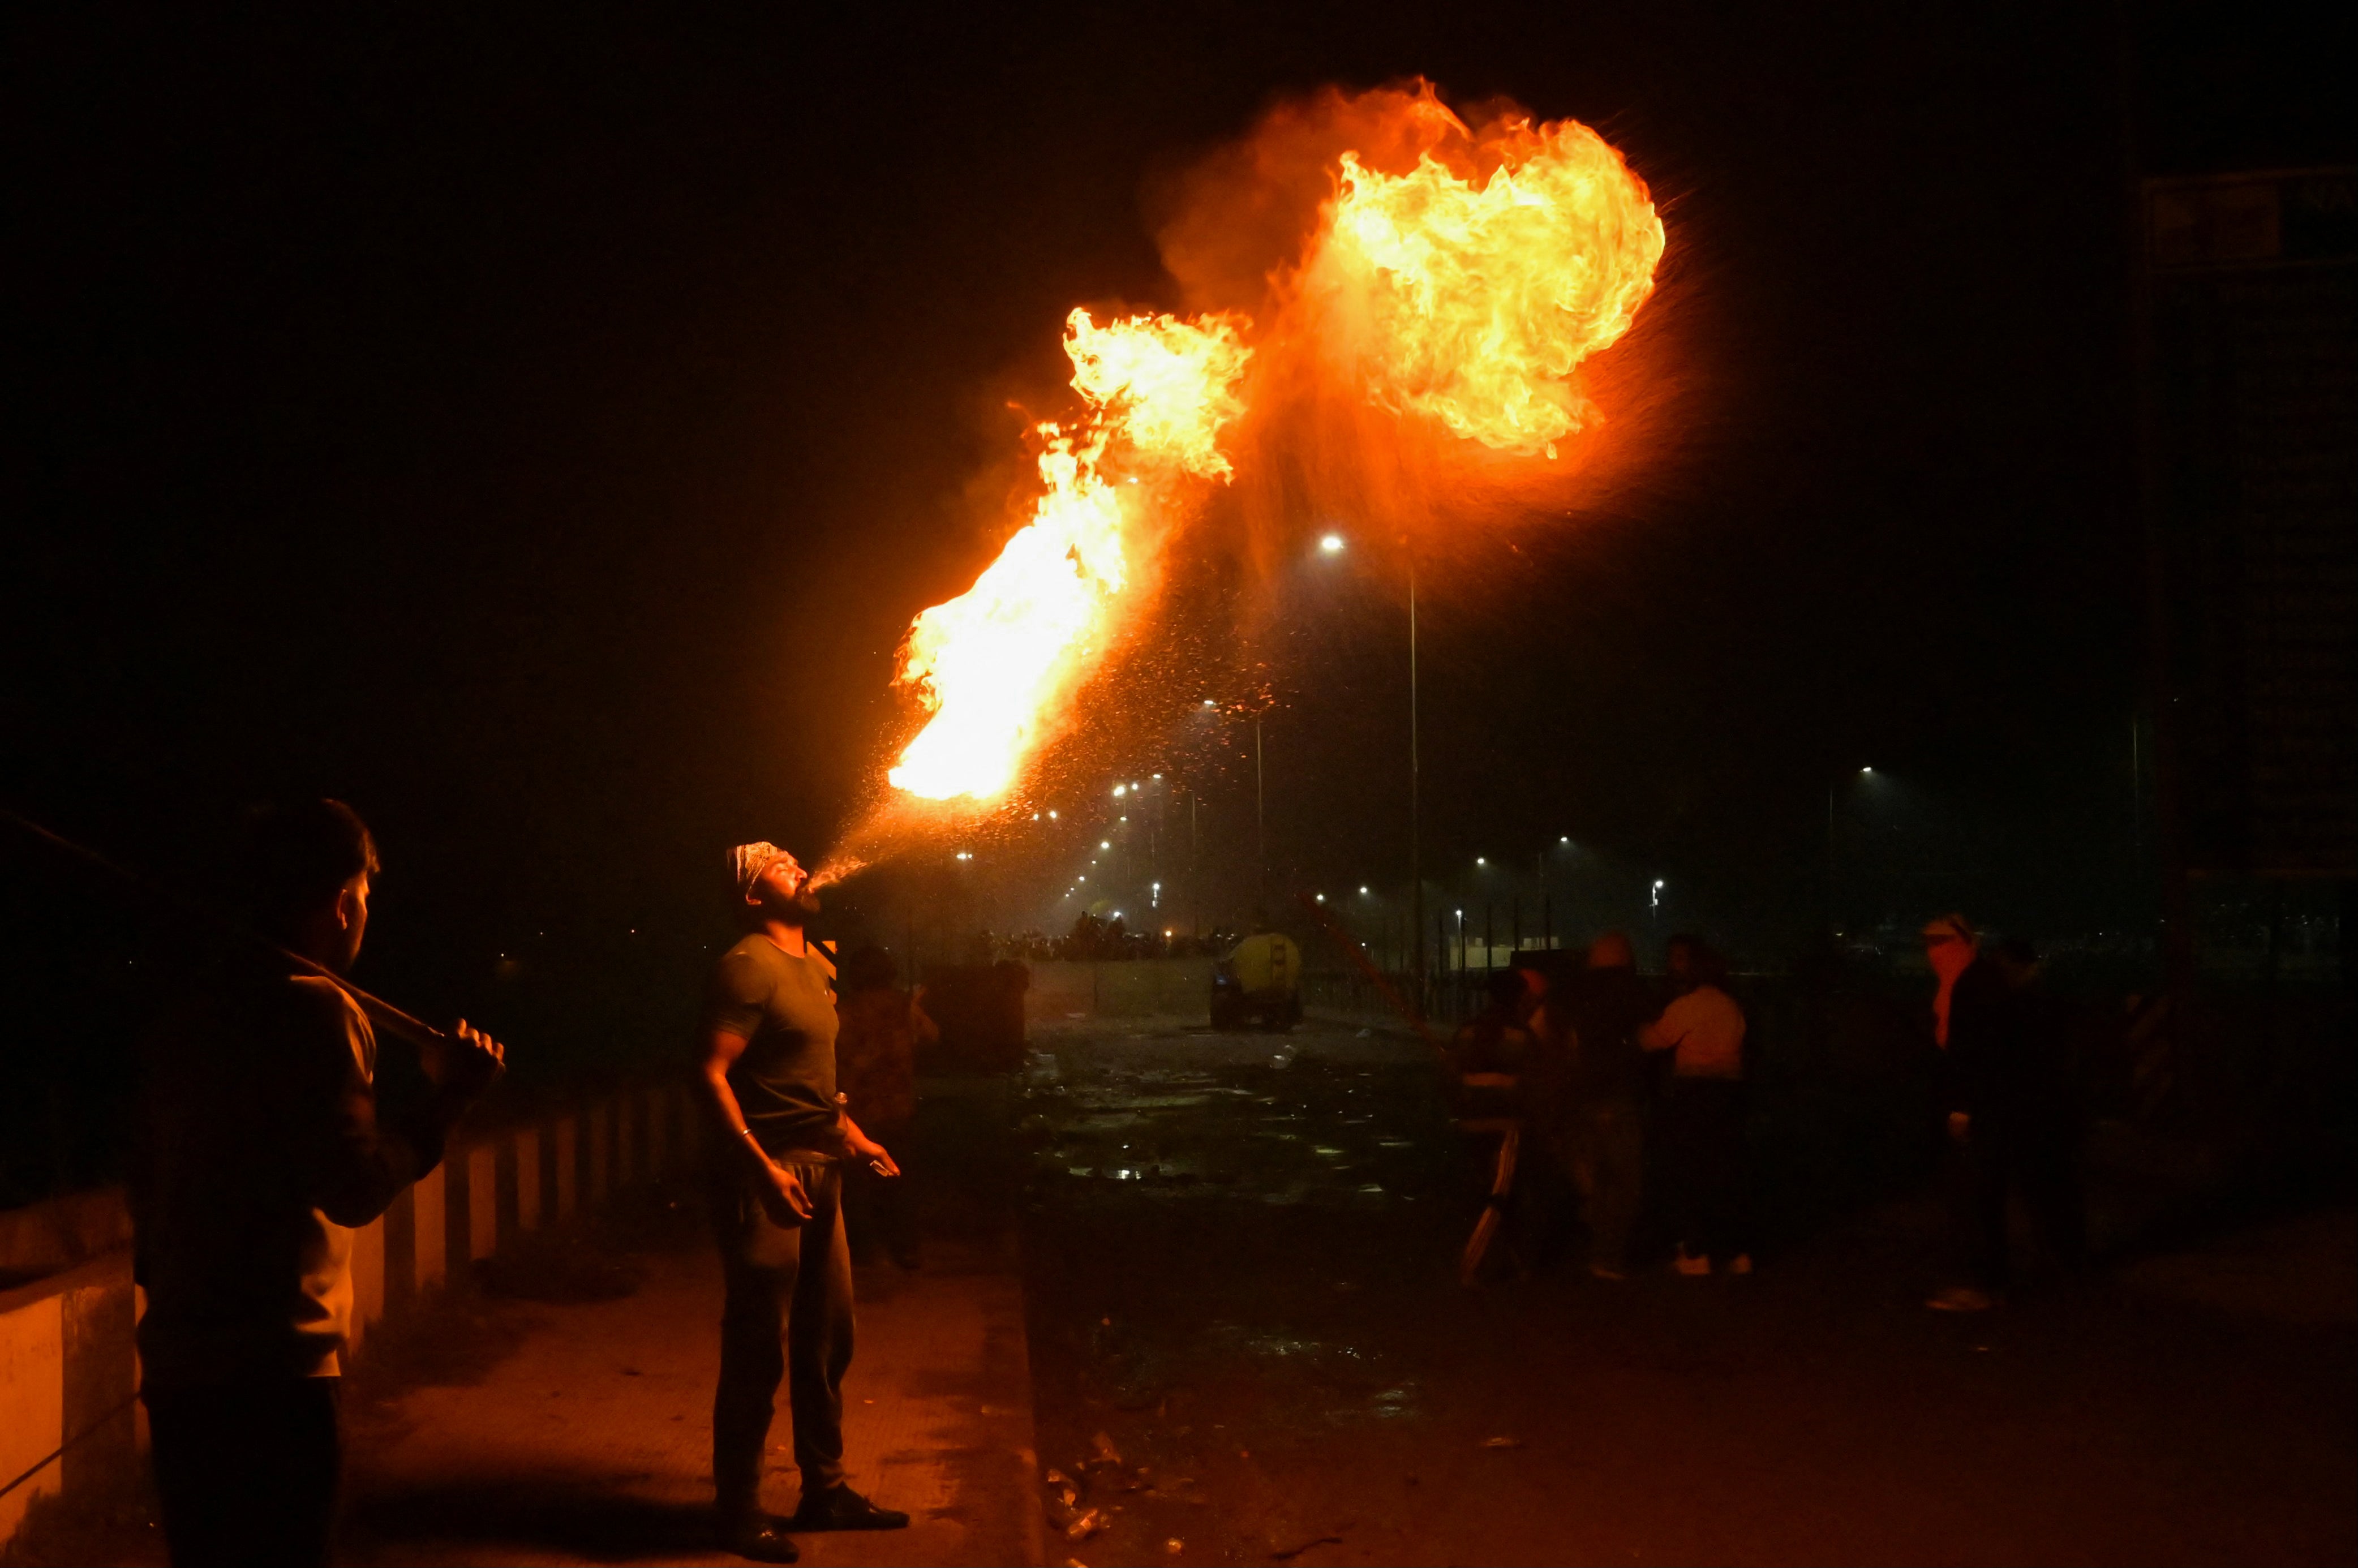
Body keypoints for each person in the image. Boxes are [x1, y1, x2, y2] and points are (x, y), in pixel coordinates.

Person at [130, 800, 505, 1567]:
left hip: (179, 1368)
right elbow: (355, 1184)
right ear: (340, 903)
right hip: (278, 1376)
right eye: (365, 896)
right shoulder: (320, 1010)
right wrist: (450, 1097)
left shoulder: (190, 1015)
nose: (365, 912)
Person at [695, 841, 908, 1563]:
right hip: (771, 1175)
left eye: (794, 858)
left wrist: (856, 1136)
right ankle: (739, 1507)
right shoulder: (746, 965)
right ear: (754, 896)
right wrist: (760, 1168)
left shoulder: (816, 963)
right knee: (758, 1346)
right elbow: (711, 1073)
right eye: (779, 864)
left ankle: (825, 1488)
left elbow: (808, 1079)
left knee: (827, 1339)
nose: (799, 866)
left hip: (824, 1166)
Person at [1928, 928, 2088, 1311]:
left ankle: (1985, 1283)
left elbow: (1968, 1050)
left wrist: (1962, 1105)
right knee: (2042, 1187)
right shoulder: (2026, 994)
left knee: (1983, 1195)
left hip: (1995, 1106)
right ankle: (2068, 1268)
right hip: (2030, 1105)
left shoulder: (1975, 987)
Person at [1543, 931, 1656, 1280]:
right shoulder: (1635, 992)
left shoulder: (1568, 995)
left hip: (1577, 1098)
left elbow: (1552, 1041)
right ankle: (1608, 1256)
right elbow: (1652, 1040)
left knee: (1590, 1175)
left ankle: (1591, 1236)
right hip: (1620, 1097)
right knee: (1623, 1180)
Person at [1642, 940, 1751, 1275]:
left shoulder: (1688, 1006)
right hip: (1730, 1094)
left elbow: (1652, 1041)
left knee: (1690, 1174)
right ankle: (1736, 1252)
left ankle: (1695, 1252)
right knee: (1725, 1174)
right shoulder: (1732, 1006)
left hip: (1693, 1096)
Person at [832, 944, 935, 1270]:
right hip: (899, 1108)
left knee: (858, 1185)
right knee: (899, 1180)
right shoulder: (903, 1007)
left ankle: (864, 1253)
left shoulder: (844, 1011)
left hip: (859, 1115)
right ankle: (905, 1251)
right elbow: (933, 1036)